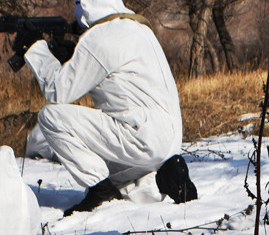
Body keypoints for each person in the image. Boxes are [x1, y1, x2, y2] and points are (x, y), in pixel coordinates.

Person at [23, 0, 196, 215]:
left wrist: (35, 49)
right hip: (167, 144)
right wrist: (73, 57)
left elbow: (58, 90)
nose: (75, 12)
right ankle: (165, 180)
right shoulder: (138, 28)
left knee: (50, 117)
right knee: (120, 183)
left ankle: (101, 192)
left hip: (139, 136)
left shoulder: (102, 36)